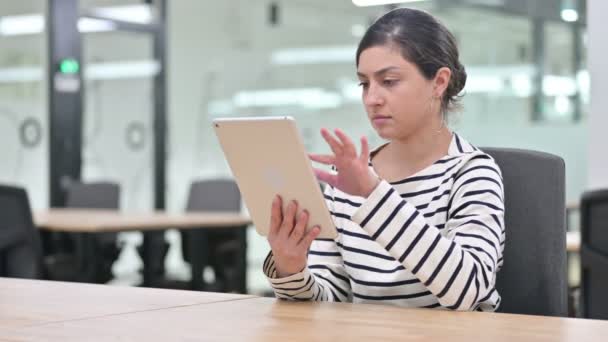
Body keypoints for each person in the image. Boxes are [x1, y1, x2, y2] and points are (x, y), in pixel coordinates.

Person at [263, 7, 504, 311]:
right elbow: (329, 302)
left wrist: (373, 194)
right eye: (364, 83)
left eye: (389, 81)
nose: (371, 98)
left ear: (439, 82)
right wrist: (292, 270)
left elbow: (469, 290)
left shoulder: (472, 172)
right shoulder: (348, 178)